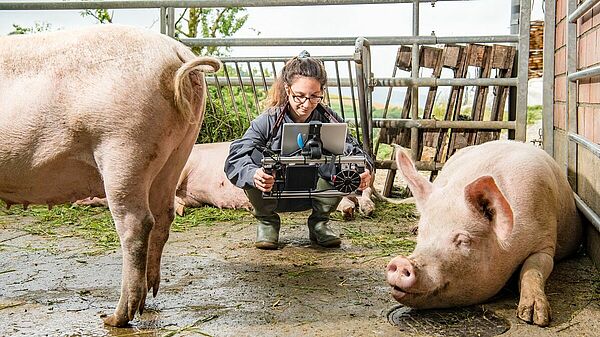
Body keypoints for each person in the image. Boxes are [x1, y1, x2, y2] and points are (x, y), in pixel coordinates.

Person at [224, 51, 373, 250]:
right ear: (287, 89)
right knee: (253, 157)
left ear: (322, 92)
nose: (306, 104)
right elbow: (236, 156)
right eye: (299, 96)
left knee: (345, 158)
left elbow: (357, 150)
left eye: (314, 97)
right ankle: (267, 222)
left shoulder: (330, 118)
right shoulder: (268, 119)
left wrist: (364, 171)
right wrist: (253, 174)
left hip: (315, 192)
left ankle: (320, 223)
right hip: (275, 191)